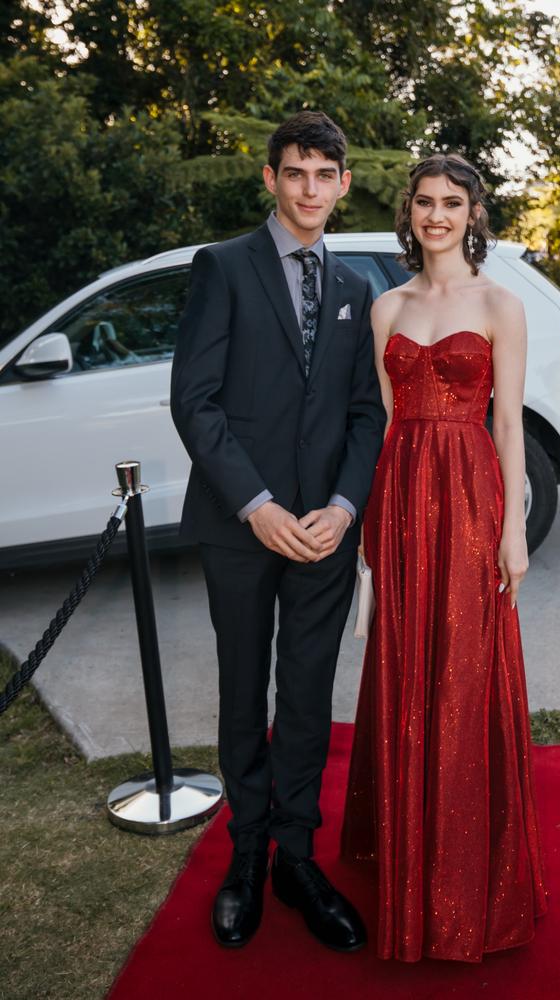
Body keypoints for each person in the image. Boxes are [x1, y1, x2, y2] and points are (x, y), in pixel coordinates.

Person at [170, 111, 385, 952]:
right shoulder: (222, 268)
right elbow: (196, 401)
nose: (308, 188)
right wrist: (256, 504)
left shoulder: (357, 289)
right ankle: (248, 855)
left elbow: (365, 416)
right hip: (241, 528)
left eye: (323, 175)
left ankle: (297, 856)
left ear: (341, 184)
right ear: (271, 179)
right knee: (240, 693)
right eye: (293, 172)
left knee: (304, 697)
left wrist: (343, 506)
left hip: (325, 536)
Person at [340, 154, 549, 963]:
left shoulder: (501, 304)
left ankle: (468, 881)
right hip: (402, 500)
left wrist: (513, 530)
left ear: (472, 214)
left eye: (451, 203)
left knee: (464, 668)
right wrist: (374, 520)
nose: (436, 216)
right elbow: (392, 420)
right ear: (410, 211)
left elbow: (506, 426)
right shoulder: (387, 306)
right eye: (425, 202)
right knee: (405, 667)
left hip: (469, 501)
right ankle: (407, 858)